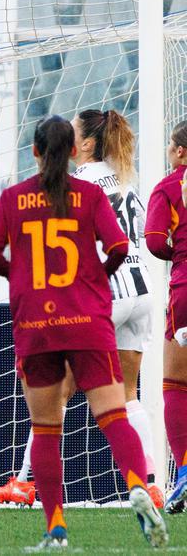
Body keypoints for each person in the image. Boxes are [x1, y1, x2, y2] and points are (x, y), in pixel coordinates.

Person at [0, 115, 166, 548]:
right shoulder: (123, 180)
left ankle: (28, 487)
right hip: (143, 291)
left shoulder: (68, 186)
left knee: (52, 407)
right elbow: (128, 241)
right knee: (125, 398)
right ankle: (149, 481)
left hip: (93, 300)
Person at [145, 120, 187, 513]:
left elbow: (155, 239)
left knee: (175, 383)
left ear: (179, 151)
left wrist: (177, 253)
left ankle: (186, 470)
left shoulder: (169, 187)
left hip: (185, 292)